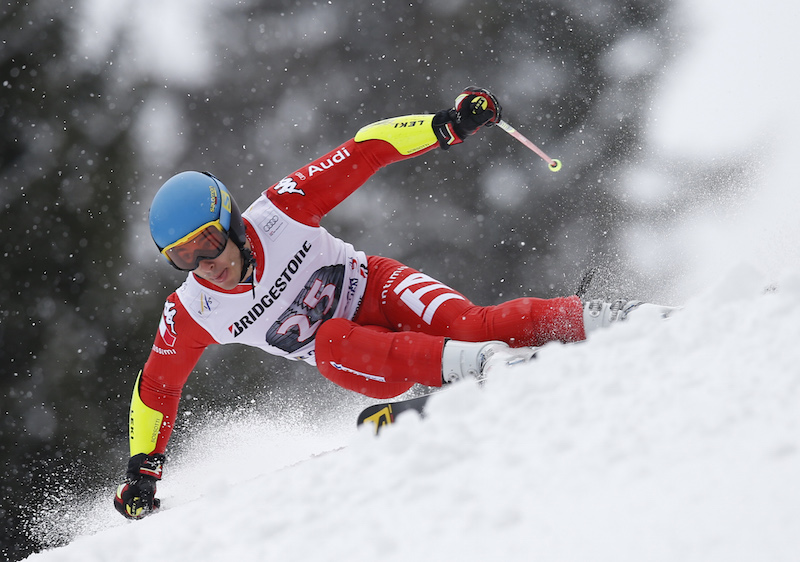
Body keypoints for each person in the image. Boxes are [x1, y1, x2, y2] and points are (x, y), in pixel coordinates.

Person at [114, 87, 667, 519]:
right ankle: (485, 368)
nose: (205, 263)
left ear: (231, 222)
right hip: (360, 361)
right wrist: (144, 471)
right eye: (184, 257)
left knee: (473, 323)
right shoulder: (192, 311)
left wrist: (445, 126)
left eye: (208, 242)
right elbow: (157, 384)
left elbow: (366, 150)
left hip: (375, 286)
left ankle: (612, 319)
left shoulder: (281, 210)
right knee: (328, 338)